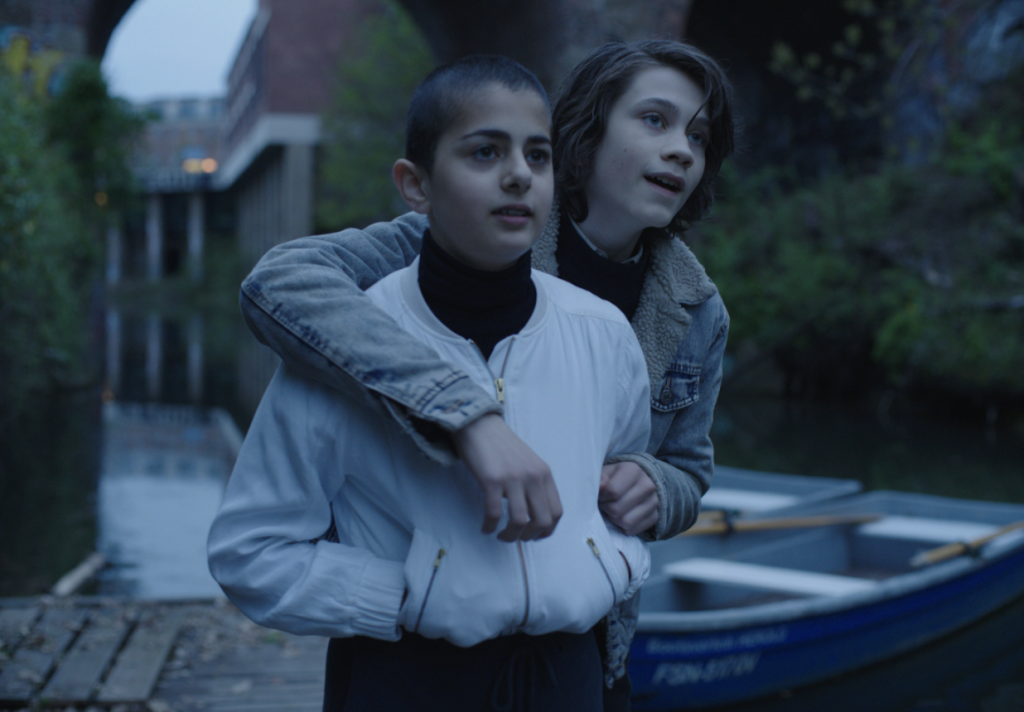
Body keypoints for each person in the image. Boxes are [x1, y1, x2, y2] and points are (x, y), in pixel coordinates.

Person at [238, 40, 736, 709]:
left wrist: (657, 487)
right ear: (584, 135)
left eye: (698, 137)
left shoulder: (696, 310)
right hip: (420, 655)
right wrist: (465, 414)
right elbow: (281, 284)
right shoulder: (463, 231)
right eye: (655, 120)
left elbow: (686, 468)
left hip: (586, 650)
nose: (681, 150)